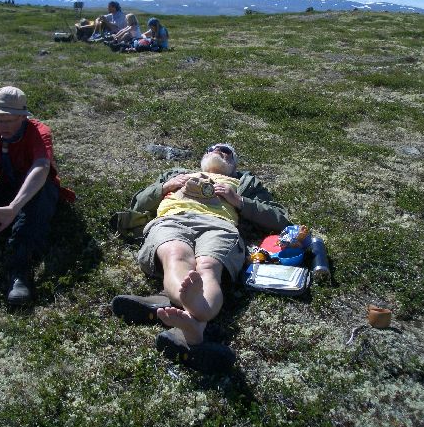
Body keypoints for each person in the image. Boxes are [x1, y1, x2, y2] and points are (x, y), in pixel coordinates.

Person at [111, 143, 290, 372]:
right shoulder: (177, 174)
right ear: (203, 157)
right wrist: (165, 186)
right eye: (213, 148)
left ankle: (177, 304)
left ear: (234, 165)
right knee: (175, 255)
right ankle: (197, 320)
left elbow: (279, 219)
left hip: (220, 226)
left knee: (208, 266)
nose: (219, 152)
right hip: (172, 220)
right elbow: (138, 203)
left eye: (226, 151)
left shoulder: (244, 182)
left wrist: (239, 200)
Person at [0, 86, 74, 305]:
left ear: (23, 117)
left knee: (41, 192)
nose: (3, 126)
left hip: (34, 190)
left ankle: (20, 268)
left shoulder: (39, 132)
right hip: (5, 188)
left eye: (9, 120)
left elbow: (41, 168)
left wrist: (14, 207)